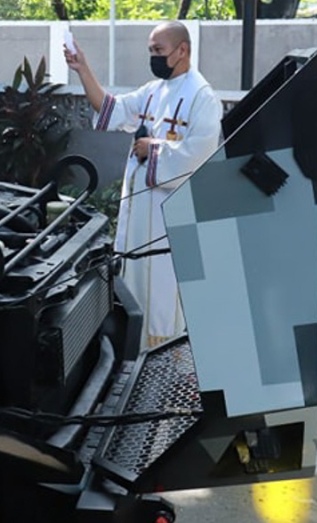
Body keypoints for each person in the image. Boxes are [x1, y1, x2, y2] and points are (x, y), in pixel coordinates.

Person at [64, 22, 222, 346]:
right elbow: (111, 109)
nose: (153, 57)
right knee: (134, 281)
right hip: (139, 215)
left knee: (163, 291)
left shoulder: (203, 97)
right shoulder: (152, 91)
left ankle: (164, 355)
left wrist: (154, 148)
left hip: (167, 219)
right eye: (151, 50)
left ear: (182, 50)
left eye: (159, 50)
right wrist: (83, 69)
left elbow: (200, 155)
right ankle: (134, 348)